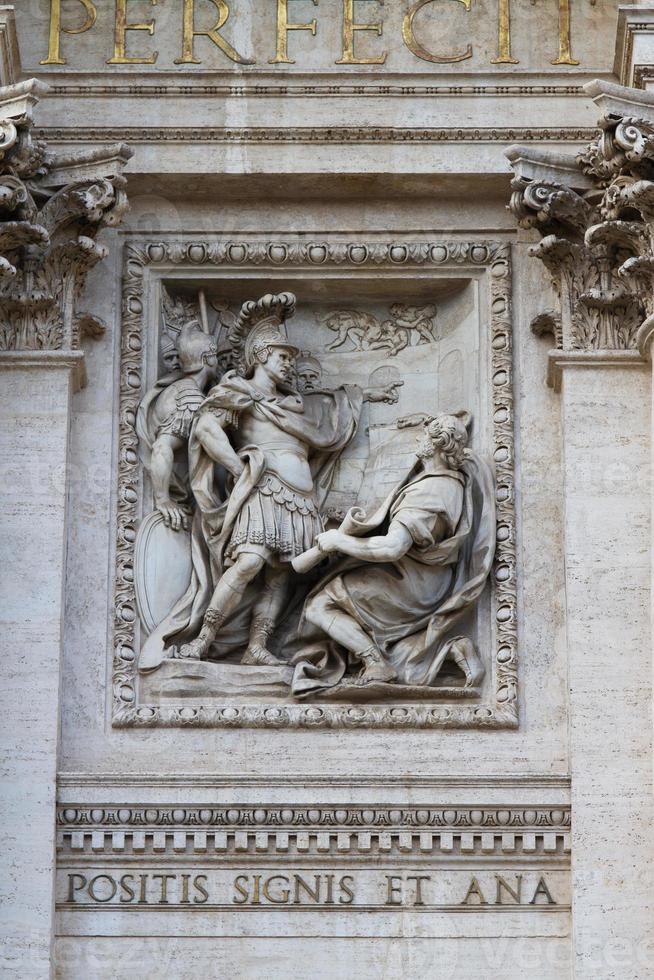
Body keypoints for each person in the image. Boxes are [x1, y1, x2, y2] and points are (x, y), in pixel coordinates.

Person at [291, 411, 495, 695]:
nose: (417, 438)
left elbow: (392, 547)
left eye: (424, 434)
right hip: (426, 580)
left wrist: (339, 540)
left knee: (319, 606)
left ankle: (375, 663)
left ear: (435, 443)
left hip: (412, 584)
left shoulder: (430, 491)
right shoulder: (447, 482)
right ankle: (446, 651)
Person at [136, 320, 218, 532]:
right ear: (208, 358)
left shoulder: (181, 388)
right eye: (215, 355)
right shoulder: (188, 396)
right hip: (176, 497)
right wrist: (163, 499)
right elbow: (163, 447)